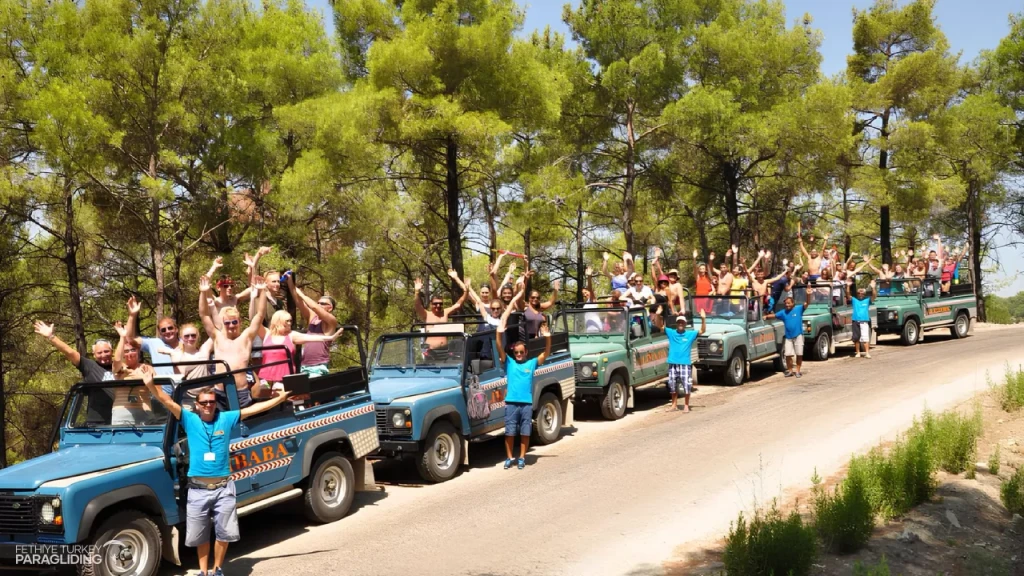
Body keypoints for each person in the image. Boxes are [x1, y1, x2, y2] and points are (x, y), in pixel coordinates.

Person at [139, 365, 290, 576]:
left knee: (224, 533)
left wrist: (279, 400)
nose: (209, 405)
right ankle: (203, 572)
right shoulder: (189, 419)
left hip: (223, 489)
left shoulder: (225, 418)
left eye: (211, 401)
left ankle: (217, 569)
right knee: (200, 536)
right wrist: (150, 385)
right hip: (198, 490)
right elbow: (167, 401)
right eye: (204, 403)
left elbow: (254, 410)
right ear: (197, 406)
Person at [495, 290, 550, 470]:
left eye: (521, 352)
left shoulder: (532, 363)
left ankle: (521, 458)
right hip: (511, 403)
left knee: (525, 432)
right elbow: (499, 348)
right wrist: (499, 333)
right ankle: (509, 458)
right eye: (516, 352)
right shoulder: (509, 362)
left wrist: (547, 337)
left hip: (526, 404)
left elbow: (546, 354)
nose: (518, 354)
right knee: (510, 432)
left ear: (525, 352)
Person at [199, 275, 267, 407]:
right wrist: (203, 292)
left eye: (234, 321)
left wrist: (263, 291)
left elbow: (260, 314)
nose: (231, 325)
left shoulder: (246, 337)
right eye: (227, 322)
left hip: (240, 392)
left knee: (243, 424)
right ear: (223, 323)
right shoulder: (217, 337)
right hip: (220, 393)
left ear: (239, 322)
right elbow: (204, 315)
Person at [254, 310, 343, 397]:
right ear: (278, 321)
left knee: (280, 401)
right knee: (262, 400)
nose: (289, 323)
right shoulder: (266, 334)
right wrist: (254, 298)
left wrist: (330, 337)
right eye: (287, 321)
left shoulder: (291, 335)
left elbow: (311, 338)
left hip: (282, 380)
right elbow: (255, 320)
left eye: (290, 321)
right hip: (265, 379)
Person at [286, 276, 340, 376]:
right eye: (318, 302)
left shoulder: (331, 321)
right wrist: (290, 282)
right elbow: (299, 302)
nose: (319, 304)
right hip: (305, 365)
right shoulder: (312, 317)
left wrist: (301, 294)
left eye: (323, 303)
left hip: (318, 366)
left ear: (330, 308)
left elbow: (314, 307)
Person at [34, 321, 114, 382]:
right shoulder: (90, 366)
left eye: (106, 351)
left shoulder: (121, 366)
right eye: (99, 353)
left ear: (112, 352)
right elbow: (70, 352)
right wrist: (51, 337)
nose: (103, 355)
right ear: (94, 355)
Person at [124, 296, 179, 377]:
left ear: (176, 329)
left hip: (184, 387)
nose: (167, 331)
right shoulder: (154, 343)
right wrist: (132, 315)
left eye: (170, 328)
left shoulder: (187, 342)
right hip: (161, 389)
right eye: (163, 330)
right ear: (160, 333)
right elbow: (129, 339)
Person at [766, 285, 814, 378]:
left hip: (798, 335)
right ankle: (790, 371)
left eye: (789, 303)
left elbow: (807, 303)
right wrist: (766, 316)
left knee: (799, 354)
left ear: (793, 303)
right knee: (788, 354)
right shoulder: (783, 312)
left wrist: (808, 294)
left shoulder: (799, 309)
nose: (787, 305)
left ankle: (798, 371)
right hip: (788, 337)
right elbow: (774, 315)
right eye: (786, 303)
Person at [665, 310, 706, 412]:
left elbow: (702, 331)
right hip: (673, 363)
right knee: (672, 385)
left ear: (685, 324)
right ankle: (674, 405)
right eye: (679, 322)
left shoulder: (690, 334)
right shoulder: (671, 333)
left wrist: (703, 319)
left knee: (686, 385)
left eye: (682, 322)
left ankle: (686, 405)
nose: (680, 324)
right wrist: (657, 314)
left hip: (684, 364)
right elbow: (660, 326)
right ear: (676, 324)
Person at [851, 280, 876, 359]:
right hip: (855, 320)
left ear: (864, 294)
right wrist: (848, 286)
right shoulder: (854, 300)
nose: (860, 294)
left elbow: (874, 296)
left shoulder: (867, 300)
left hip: (864, 321)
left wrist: (873, 288)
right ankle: (858, 353)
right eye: (859, 293)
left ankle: (867, 353)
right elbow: (848, 295)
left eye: (862, 293)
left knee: (865, 338)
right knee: (856, 338)